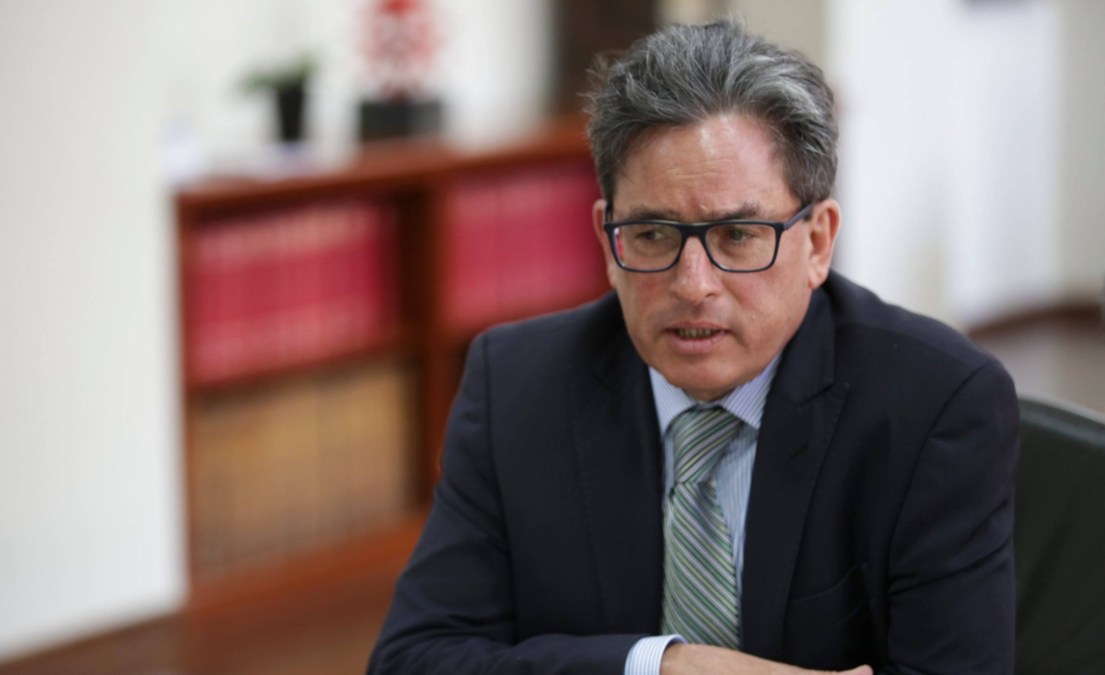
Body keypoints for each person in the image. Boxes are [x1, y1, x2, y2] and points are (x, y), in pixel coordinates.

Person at [367, 19, 1017, 675]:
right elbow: (413, 659)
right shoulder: (514, 385)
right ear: (608, 241)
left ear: (818, 241)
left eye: (738, 234)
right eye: (652, 234)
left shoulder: (936, 405)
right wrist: (662, 667)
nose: (693, 285)